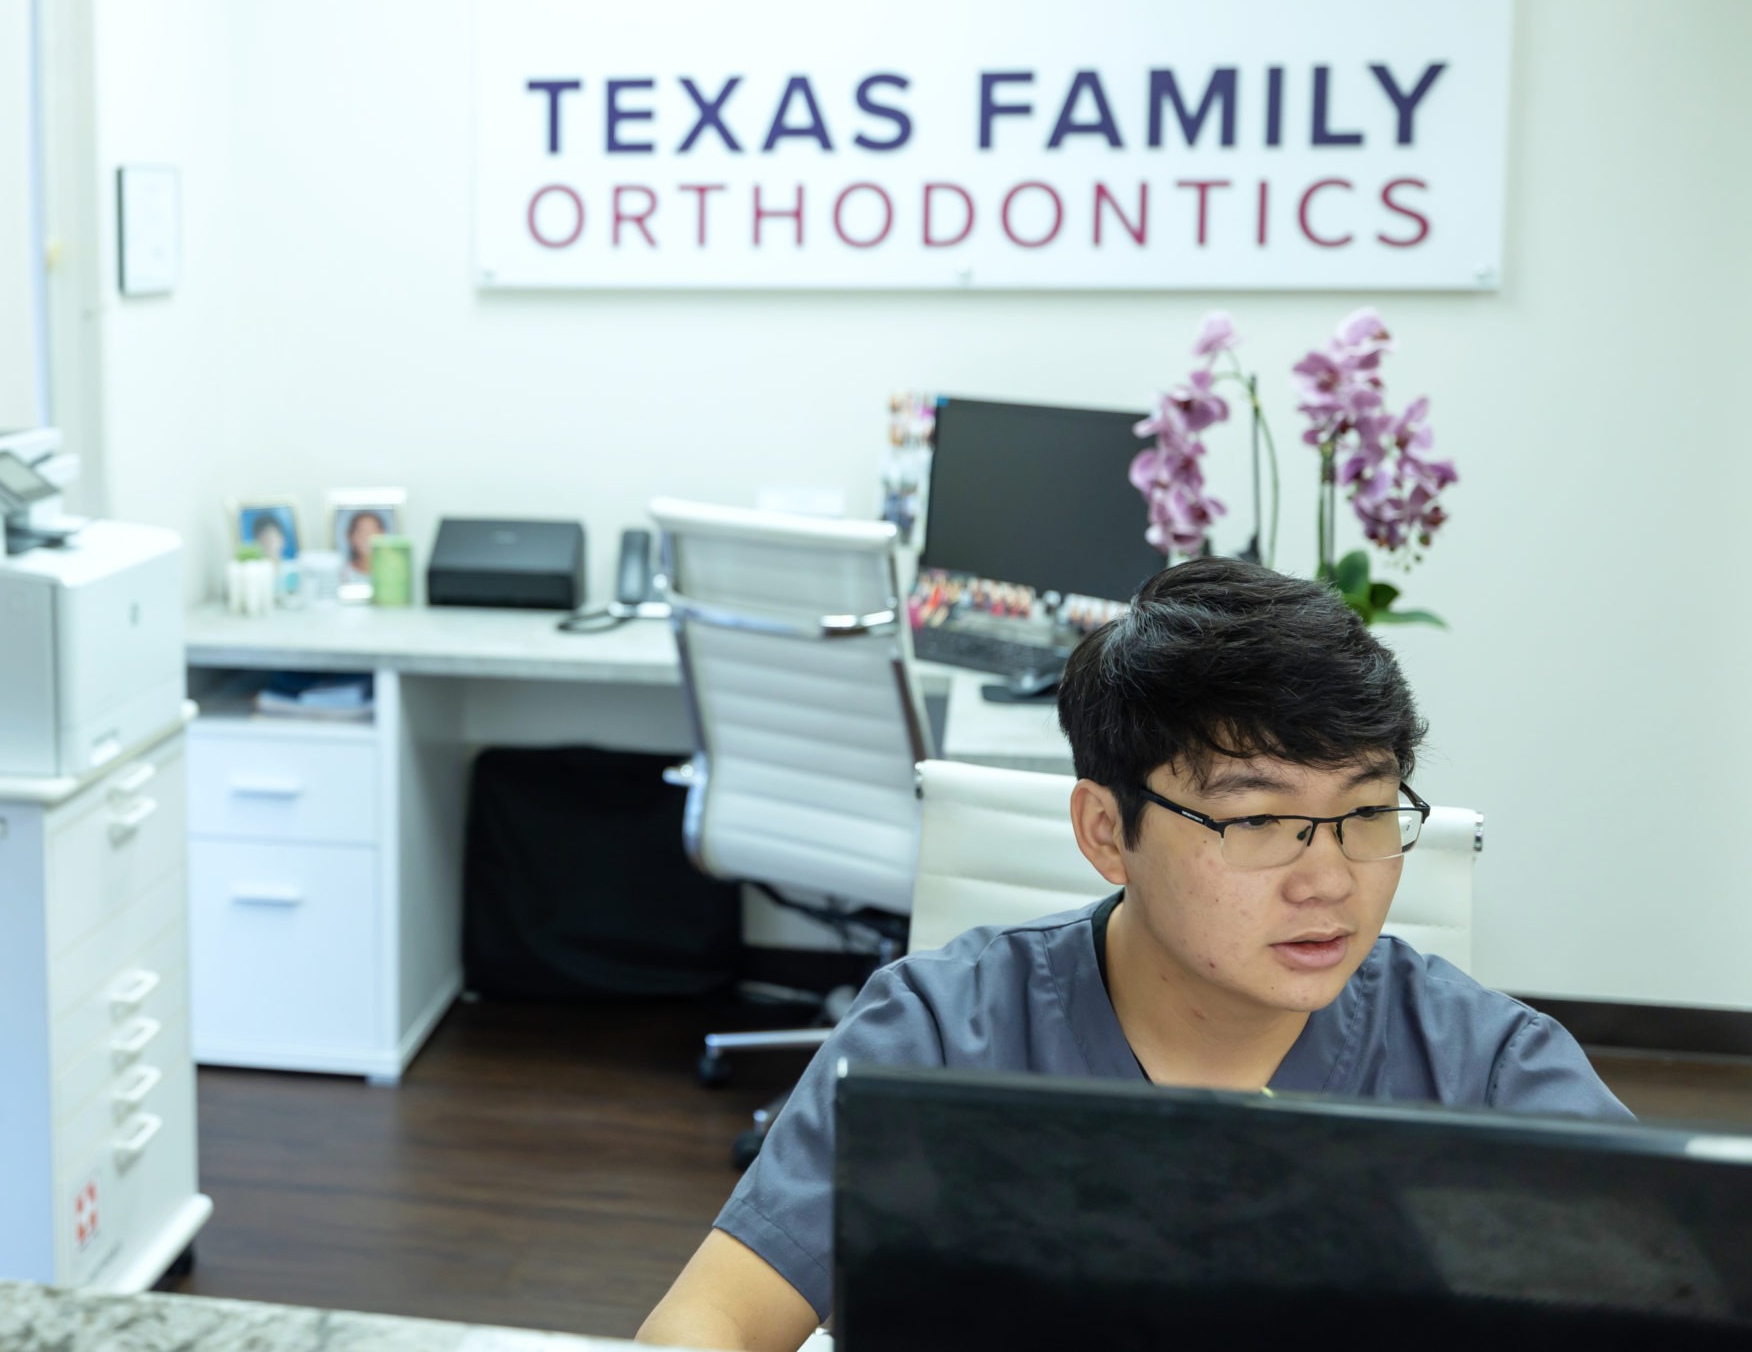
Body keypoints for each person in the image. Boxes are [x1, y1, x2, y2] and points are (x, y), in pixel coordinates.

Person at [638, 558, 1629, 1350]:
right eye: (1259, 821)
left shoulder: (1483, 1071)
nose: (1329, 879)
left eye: (1366, 812)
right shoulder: (941, 1034)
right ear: (1106, 831)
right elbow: (706, 1321)